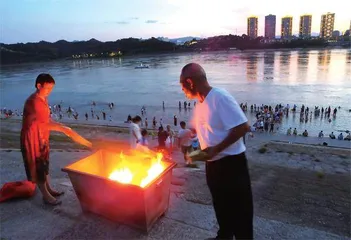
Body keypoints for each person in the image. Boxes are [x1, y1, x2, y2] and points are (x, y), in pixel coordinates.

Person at [179, 63, 252, 239]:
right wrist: (191, 134)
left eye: (182, 86)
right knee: (220, 206)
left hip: (231, 165)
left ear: (190, 82)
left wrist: (216, 149)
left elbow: (243, 126)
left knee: (240, 213)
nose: (183, 91)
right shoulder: (200, 102)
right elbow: (205, 127)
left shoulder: (220, 97)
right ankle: (224, 236)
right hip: (213, 166)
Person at [21, 73, 92, 206]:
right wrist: (64, 130)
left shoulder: (43, 99)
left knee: (45, 163)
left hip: (42, 136)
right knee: (38, 167)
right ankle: (46, 196)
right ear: (39, 85)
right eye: (47, 89)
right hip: (33, 139)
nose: (49, 92)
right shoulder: (34, 102)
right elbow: (41, 123)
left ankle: (49, 189)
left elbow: (46, 119)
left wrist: (60, 125)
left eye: (51, 89)